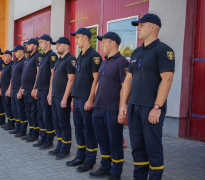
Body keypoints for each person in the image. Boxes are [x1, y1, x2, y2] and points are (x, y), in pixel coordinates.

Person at [118, 13, 175, 180]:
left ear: (153, 27)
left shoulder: (163, 50)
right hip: (134, 106)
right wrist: (123, 104)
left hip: (151, 107)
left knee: (153, 147)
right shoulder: (136, 52)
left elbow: (167, 79)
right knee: (137, 147)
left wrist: (157, 107)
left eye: (142, 25)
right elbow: (128, 79)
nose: (138, 28)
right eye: (138, 26)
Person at [89, 32, 129, 180]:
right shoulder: (104, 62)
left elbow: (125, 86)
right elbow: (98, 83)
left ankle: (116, 171)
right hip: (99, 108)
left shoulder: (123, 62)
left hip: (113, 109)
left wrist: (122, 109)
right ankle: (105, 167)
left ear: (113, 43)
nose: (101, 44)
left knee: (115, 141)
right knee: (102, 140)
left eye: (104, 42)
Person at [67, 27, 101, 172]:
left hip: (87, 100)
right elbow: (78, 79)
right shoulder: (80, 56)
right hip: (77, 98)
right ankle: (80, 156)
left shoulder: (94, 56)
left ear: (86, 37)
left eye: (78, 37)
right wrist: (73, 97)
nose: (76, 40)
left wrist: (91, 99)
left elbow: (96, 80)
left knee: (89, 130)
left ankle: (90, 160)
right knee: (79, 129)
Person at [48, 37, 75, 160]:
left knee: (64, 123)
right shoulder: (59, 60)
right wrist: (50, 94)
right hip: (55, 96)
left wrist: (65, 98)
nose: (56, 47)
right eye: (56, 45)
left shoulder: (71, 60)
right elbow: (53, 78)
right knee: (56, 122)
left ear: (66, 46)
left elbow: (71, 80)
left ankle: (65, 149)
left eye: (59, 45)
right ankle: (59, 145)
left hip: (63, 98)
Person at [33, 34, 58, 150]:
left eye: (41, 42)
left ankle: (49, 140)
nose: (40, 44)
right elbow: (39, 75)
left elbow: (53, 74)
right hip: (40, 90)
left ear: (48, 43)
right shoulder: (43, 56)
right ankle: (42, 137)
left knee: (47, 116)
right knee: (40, 115)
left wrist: (50, 92)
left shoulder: (52, 56)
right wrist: (36, 88)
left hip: (46, 90)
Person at [20, 38, 42, 142]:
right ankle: (31, 131)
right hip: (26, 89)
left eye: (28, 45)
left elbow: (38, 73)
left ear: (35, 46)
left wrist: (35, 88)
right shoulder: (29, 57)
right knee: (28, 111)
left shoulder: (38, 56)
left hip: (32, 90)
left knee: (34, 112)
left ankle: (35, 134)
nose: (26, 46)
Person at [7, 45, 28, 137]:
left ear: (22, 51)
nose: (14, 53)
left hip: (19, 89)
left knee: (21, 110)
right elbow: (12, 77)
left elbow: (24, 78)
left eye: (16, 51)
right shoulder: (15, 62)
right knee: (14, 109)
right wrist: (9, 89)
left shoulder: (24, 62)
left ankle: (23, 129)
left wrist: (20, 90)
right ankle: (18, 127)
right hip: (13, 88)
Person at [0, 50, 15, 130]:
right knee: (5, 106)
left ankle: (12, 123)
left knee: (9, 106)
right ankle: (9, 121)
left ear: (10, 56)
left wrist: (9, 89)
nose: (4, 57)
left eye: (5, 55)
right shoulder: (5, 65)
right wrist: (1, 89)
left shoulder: (11, 65)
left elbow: (12, 79)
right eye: (3, 55)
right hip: (3, 89)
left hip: (8, 90)